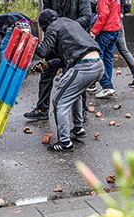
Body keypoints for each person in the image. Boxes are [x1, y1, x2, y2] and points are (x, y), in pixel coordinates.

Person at [23, 0, 93, 122]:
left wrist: (67, 26)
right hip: (55, 41)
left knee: (76, 78)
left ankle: (82, 111)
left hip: (72, 42)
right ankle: (42, 109)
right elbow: (48, 14)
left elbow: (87, 16)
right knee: (46, 73)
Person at [32, 9, 103, 152]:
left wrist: (30, 40)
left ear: (45, 25)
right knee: (74, 94)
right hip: (97, 64)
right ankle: (78, 128)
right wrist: (48, 65)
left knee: (59, 101)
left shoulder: (53, 27)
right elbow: (66, 59)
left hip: (83, 67)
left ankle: (64, 142)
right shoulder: (70, 23)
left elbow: (43, 51)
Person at [90, 0, 122, 99]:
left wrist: (94, 31)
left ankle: (107, 86)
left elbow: (103, 14)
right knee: (108, 58)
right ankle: (108, 83)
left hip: (105, 30)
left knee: (99, 58)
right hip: (116, 28)